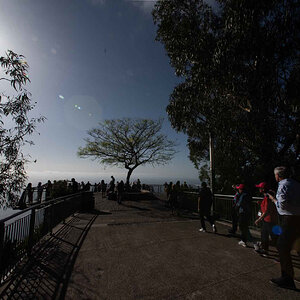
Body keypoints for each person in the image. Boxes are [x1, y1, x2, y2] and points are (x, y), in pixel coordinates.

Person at [267, 166, 300, 289]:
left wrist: (274, 199)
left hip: (289, 219)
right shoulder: (296, 184)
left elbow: (282, 206)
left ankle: (287, 278)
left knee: (282, 246)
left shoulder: (283, 184)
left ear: (278, 176)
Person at [254, 182, 278, 257]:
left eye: (260, 188)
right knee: (264, 235)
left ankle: (283, 252)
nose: (259, 189)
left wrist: (258, 219)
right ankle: (265, 250)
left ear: (263, 189)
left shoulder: (268, 197)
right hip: (267, 220)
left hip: (270, 221)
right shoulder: (266, 196)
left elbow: (266, 211)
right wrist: (261, 203)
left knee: (274, 238)